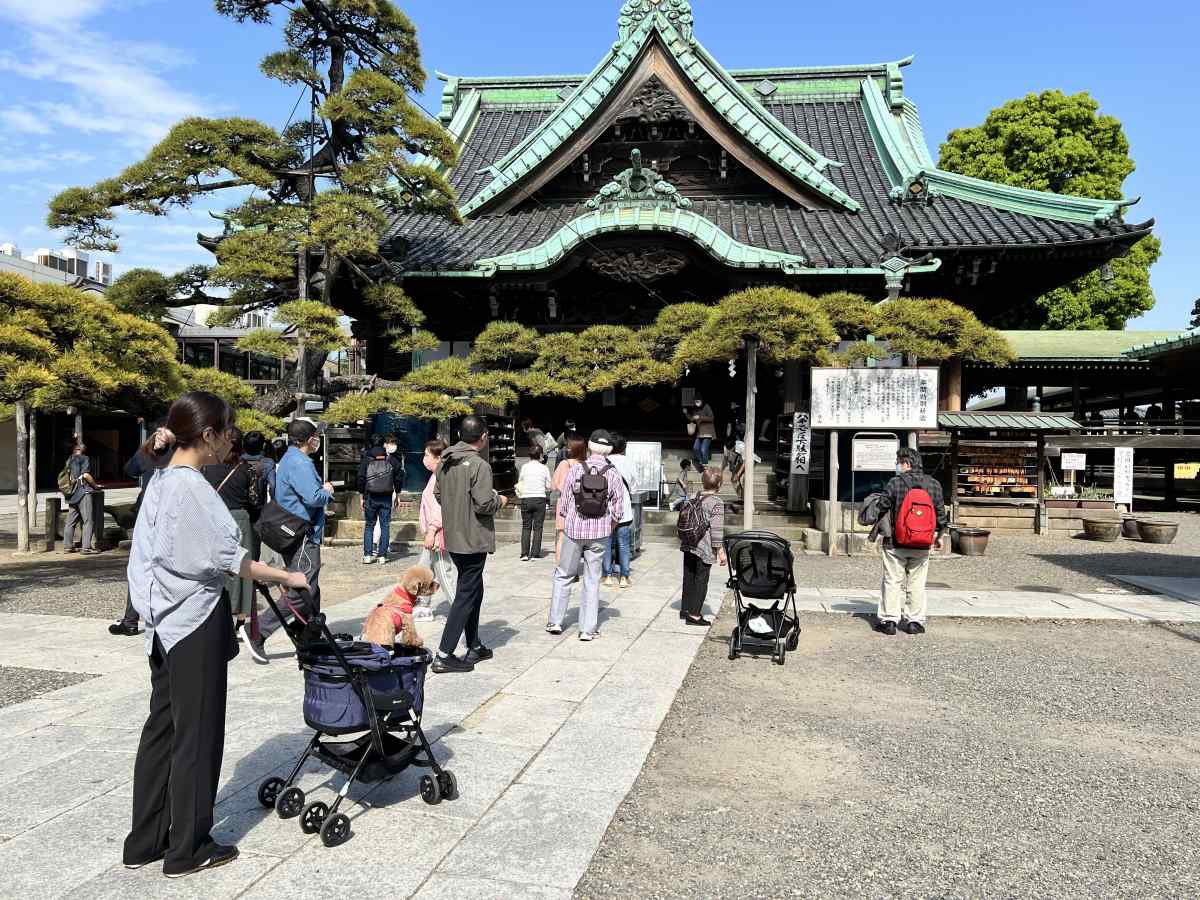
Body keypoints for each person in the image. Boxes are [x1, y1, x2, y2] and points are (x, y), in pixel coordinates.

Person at [123, 391, 305, 879]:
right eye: (227, 431)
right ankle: (187, 847)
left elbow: (144, 552)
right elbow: (233, 560)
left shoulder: (160, 479)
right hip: (195, 619)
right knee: (197, 736)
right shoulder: (193, 489)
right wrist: (289, 578)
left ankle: (145, 840)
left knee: (162, 729)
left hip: (161, 619)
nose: (231, 440)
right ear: (207, 435)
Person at [245, 420, 335, 663]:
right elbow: (313, 497)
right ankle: (258, 631)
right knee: (303, 589)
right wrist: (327, 490)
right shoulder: (299, 463)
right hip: (302, 533)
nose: (318, 439)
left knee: (309, 588)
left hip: (293, 530)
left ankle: (310, 636)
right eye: (316, 435)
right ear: (308, 439)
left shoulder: (290, 458)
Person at [432, 416, 509, 673]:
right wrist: (501, 501)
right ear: (484, 436)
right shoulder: (479, 465)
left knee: (474, 588)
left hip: (454, 535)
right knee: (466, 594)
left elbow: (438, 494)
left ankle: (474, 643)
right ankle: (444, 653)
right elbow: (484, 503)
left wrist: (456, 509)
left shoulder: (445, 460)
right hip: (473, 537)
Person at [547, 429, 625, 641]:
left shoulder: (576, 468)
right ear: (609, 450)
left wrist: (568, 517)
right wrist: (610, 526)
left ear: (589, 446)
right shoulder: (612, 472)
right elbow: (618, 507)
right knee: (592, 579)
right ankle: (587, 629)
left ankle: (555, 621)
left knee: (564, 573)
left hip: (574, 530)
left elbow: (564, 501)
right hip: (599, 532)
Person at [873, 447, 948, 636]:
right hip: (922, 543)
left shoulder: (895, 483)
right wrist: (939, 537)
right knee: (916, 583)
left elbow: (882, 506)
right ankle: (914, 621)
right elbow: (940, 515)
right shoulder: (934, 484)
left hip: (895, 542)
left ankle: (889, 620)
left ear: (906, 463)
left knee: (892, 581)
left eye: (898, 462)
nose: (897, 466)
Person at [110, 428, 175, 637]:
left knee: (141, 566)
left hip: (149, 515)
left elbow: (130, 469)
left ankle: (132, 620)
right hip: (167, 515)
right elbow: (130, 469)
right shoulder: (180, 453)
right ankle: (145, 619)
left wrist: (148, 448)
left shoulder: (152, 454)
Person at [201, 428, 258, 644]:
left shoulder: (206, 468)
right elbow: (254, 499)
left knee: (217, 566)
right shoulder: (245, 469)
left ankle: (216, 614)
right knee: (242, 569)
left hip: (215, 519)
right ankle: (240, 621)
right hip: (240, 519)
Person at [679, 467, 727, 627]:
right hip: (704, 546)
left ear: (703, 482)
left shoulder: (692, 496)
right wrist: (720, 551)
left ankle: (685, 609)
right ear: (719, 484)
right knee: (701, 579)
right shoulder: (717, 503)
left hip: (688, 541)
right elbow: (717, 529)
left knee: (689, 575)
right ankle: (694, 615)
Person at [417, 439, 456, 620]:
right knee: (423, 569)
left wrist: (431, 531)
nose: (424, 459)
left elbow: (440, 508)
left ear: (438, 458)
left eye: (427, 455)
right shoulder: (435, 476)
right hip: (431, 534)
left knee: (444, 573)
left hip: (438, 535)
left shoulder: (440, 478)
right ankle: (423, 605)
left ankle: (459, 611)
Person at [358, 433, 404, 565]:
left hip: (370, 496)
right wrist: (398, 494)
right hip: (386, 496)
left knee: (369, 526)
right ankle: (382, 556)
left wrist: (361, 495)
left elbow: (361, 478)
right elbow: (399, 477)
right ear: (384, 444)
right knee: (385, 525)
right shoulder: (390, 459)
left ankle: (367, 555)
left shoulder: (366, 459)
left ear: (370, 444)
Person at [602, 433, 635, 589]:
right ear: (623, 448)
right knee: (623, 543)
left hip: (606, 509)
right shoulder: (628, 462)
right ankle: (624, 576)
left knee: (607, 543)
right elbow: (635, 484)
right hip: (624, 509)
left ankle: (607, 575)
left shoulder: (603, 461)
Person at [551, 431, 588, 561]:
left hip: (564, 503)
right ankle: (573, 566)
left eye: (568, 446)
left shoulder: (564, 464)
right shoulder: (585, 466)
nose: (566, 448)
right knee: (577, 538)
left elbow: (554, 485)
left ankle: (560, 567)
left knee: (561, 536)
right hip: (581, 503)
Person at [62, 440, 99, 554]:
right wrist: (95, 485)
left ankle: (68, 546)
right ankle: (86, 548)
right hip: (83, 493)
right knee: (88, 521)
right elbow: (86, 475)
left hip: (72, 494)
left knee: (70, 521)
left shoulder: (69, 460)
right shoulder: (84, 459)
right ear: (82, 451)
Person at [517, 444, 552, 561]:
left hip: (526, 498)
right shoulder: (544, 468)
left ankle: (524, 554)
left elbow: (520, 481)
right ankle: (535, 553)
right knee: (538, 527)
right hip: (539, 499)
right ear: (541, 455)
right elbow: (549, 486)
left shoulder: (524, 467)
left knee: (526, 526)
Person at [689, 395, 716, 466]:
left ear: (701, 401)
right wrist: (688, 415)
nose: (696, 403)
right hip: (700, 433)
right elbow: (692, 419)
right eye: (695, 402)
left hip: (708, 432)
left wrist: (700, 417)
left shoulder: (706, 407)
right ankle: (701, 461)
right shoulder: (695, 409)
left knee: (703, 449)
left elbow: (712, 418)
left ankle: (705, 464)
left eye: (697, 401)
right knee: (695, 448)